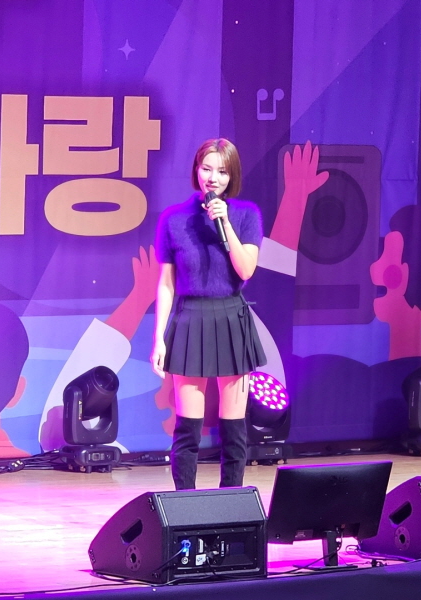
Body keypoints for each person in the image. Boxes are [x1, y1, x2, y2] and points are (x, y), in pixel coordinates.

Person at [151, 138, 266, 490]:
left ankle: (232, 503)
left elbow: (246, 270)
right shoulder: (174, 219)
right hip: (189, 319)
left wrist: (225, 223)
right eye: (206, 169)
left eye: (222, 171)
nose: (213, 178)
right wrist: (159, 339)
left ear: (232, 176)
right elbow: (166, 284)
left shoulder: (246, 215)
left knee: (234, 430)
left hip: (231, 318)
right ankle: (185, 505)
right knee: (188, 429)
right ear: (196, 171)